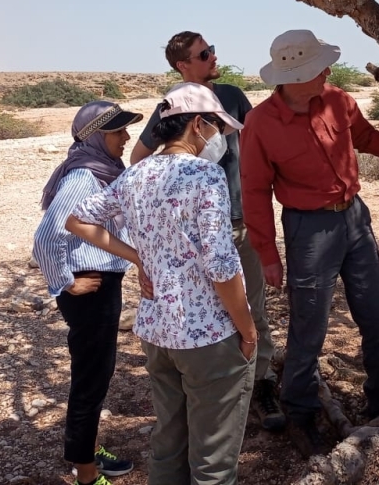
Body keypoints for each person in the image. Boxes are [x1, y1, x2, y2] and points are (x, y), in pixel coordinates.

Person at [239, 29, 379, 458]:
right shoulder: (260, 125)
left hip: (355, 219)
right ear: (294, 75)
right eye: (319, 67)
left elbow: (367, 137)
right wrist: (268, 254)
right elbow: (255, 192)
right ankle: (300, 413)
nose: (328, 72)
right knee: (309, 329)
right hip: (308, 232)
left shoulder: (338, 100)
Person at [67, 83, 257, 485]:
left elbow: (78, 220)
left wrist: (138, 256)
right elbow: (221, 266)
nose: (218, 138)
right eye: (216, 129)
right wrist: (248, 329)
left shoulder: (137, 173)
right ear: (198, 125)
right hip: (209, 336)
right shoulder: (205, 175)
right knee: (214, 461)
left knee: (168, 445)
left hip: (157, 331)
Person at [129, 31, 285, 431]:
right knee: (203, 309)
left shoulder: (231, 95)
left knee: (252, 307)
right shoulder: (173, 107)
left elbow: (259, 141)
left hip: (239, 221)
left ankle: (260, 384)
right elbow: (140, 156)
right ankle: (214, 391)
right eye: (204, 54)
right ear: (183, 65)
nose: (214, 56)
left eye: (212, 49)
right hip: (192, 235)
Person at [32, 100, 143, 485]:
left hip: (100, 283)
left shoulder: (101, 171)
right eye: (118, 131)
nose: (126, 137)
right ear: (96, 136)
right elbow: (47, 235)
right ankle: (86, 473)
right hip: (89, 287)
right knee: (91, 378)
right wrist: (65, 281)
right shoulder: (83, 176)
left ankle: (86, 450)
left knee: (97, 373)